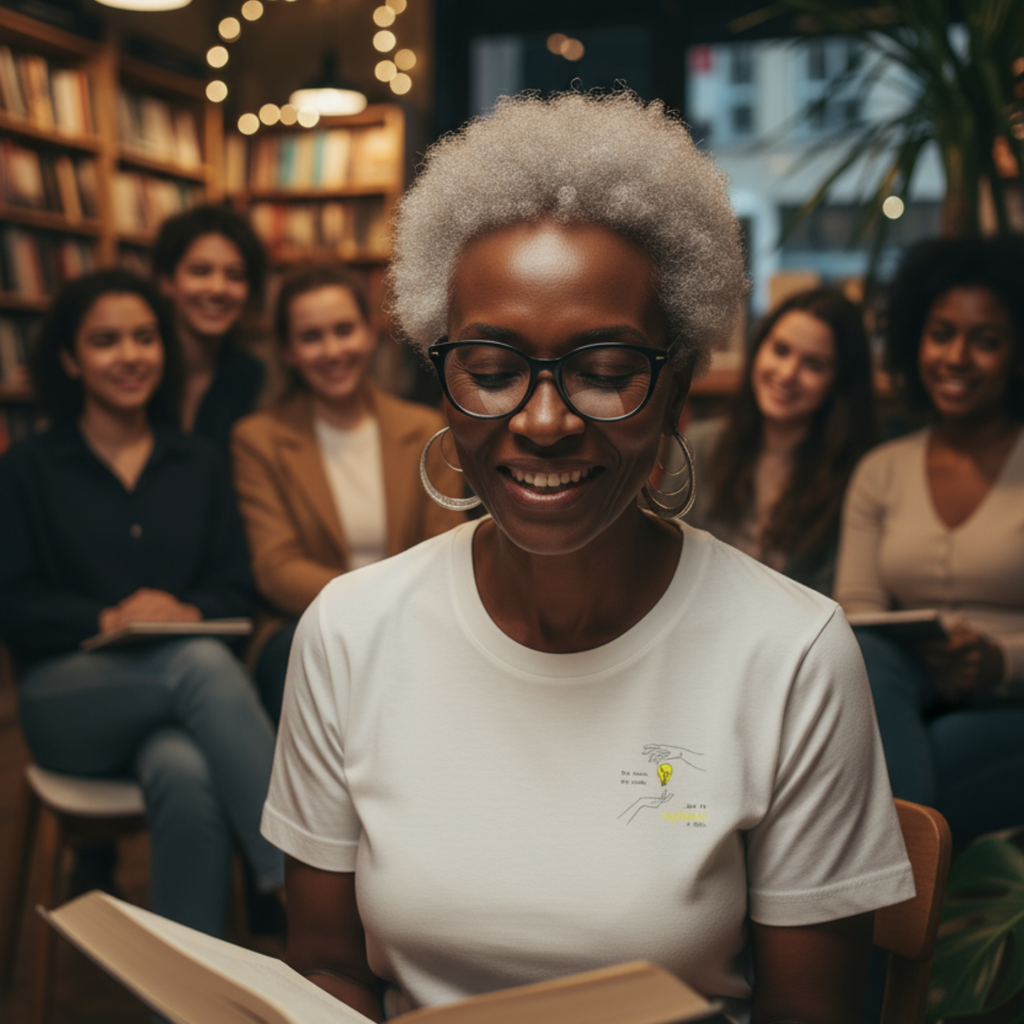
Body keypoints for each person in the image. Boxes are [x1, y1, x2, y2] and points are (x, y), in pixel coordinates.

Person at [261, 92, 914, 1023]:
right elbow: (328, 968)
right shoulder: (350, 631)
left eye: (605, 373)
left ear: (676, 394)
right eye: (490, 370)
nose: (541, 421)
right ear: (442, 384)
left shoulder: (792, 654)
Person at [0, 269, 283, 937]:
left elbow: (235, 588)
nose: (129, 356)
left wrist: (184, 610)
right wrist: (104, 619)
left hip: (177, 712)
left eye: (144, 338)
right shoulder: (26, 469)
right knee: (201, 664)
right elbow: (12, 603)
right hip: (64, 703)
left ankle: (184, 1000)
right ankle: (297, 887)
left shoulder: (201, 463)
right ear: (70, 359)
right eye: (105, 341)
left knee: (183, 772)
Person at [835, 235, 1024, 846]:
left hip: (1010, 705)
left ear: (1017, 354)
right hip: (904, 691)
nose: (957, 357)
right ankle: (900, 913)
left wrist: (997, 660)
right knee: (862, 649)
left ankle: (875, 914)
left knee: (892, 770)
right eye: (941, 333)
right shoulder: (881, 470)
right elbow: (859, 612)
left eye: (986, 340)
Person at [231, 264, 465, 722]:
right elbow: (277, 568)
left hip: (416, 622)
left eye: (344, 330)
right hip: (307, 624)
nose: (332, 350)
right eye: (311, 337)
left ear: (370, 333)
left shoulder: (426, 430)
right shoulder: (257, 439)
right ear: (288, 351)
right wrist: (372, 611)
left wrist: (394, 617)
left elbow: (445, 548)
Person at [685, 288, 875, 595]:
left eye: (814, 365)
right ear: (759, 348)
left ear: (839, 382)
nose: (787, 374)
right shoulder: (698, 446)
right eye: (781, 350)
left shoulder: (859, 472)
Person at [153, 204, 267, 451]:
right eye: (200, 271)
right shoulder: (136, 369)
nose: (218, 288)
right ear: (166, 281)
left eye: (235, 275)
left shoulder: (256, 379)